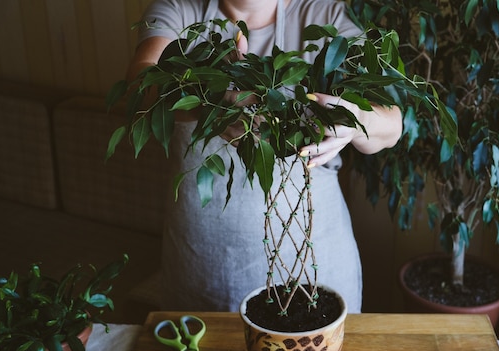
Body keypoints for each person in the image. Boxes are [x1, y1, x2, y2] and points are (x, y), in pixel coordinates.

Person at [127, 0, 403, 313]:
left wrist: (356, 121)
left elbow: (392, 122)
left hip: (314, 263)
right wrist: (206, 101)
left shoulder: (323, 14)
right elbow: (138, 89)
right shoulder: (180, 9)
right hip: (202, 261)